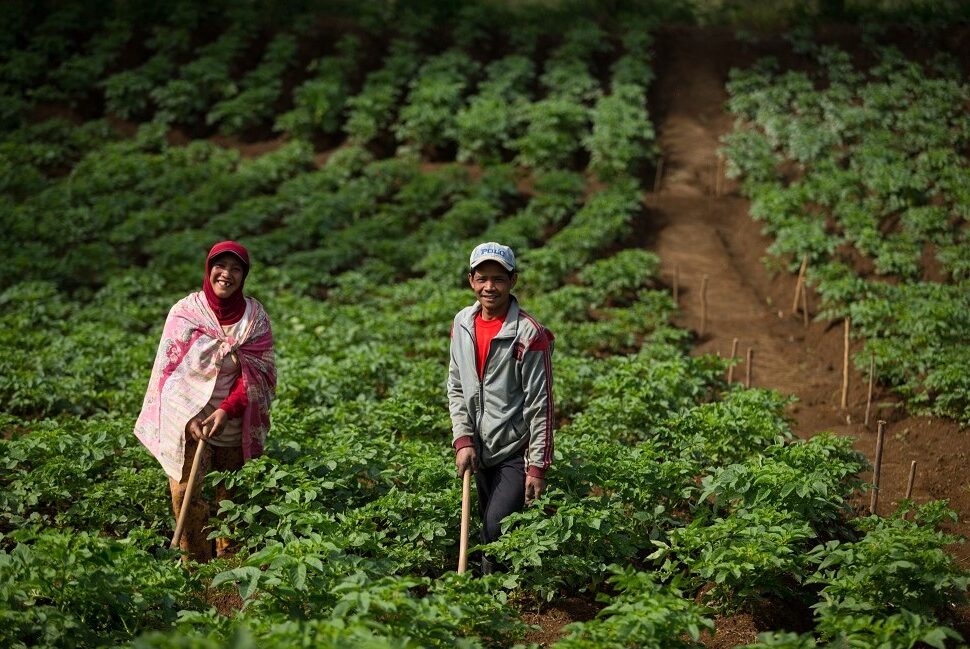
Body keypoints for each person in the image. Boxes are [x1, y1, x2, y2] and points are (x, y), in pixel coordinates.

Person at [134, 241, 276, 562]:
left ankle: (229, 568)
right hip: (190, 420)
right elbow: (169, 375)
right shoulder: (186, 314)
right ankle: (195, 566)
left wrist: (226, 410)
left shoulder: (254, 319)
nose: (226, 274)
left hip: (232, 419)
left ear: (244, 275)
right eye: (220, 266)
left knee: (231, 496)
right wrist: (190, 417)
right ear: (208, 269)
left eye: (236, 268)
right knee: (186, 494)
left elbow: (258, 374)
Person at [448, 241, 555, 574]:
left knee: (494, 529)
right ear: (471, 281)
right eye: (482, 278)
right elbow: (456, 386)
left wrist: (537, 466)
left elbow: (541, 403)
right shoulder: (463, 323)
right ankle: (488, 596)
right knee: (487, 528)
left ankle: (494, 598)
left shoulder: (528, 334)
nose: (489, 287)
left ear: (513, 281)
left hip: (514, 449)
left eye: (498, 278)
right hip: (479, 447)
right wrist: (463, 439)